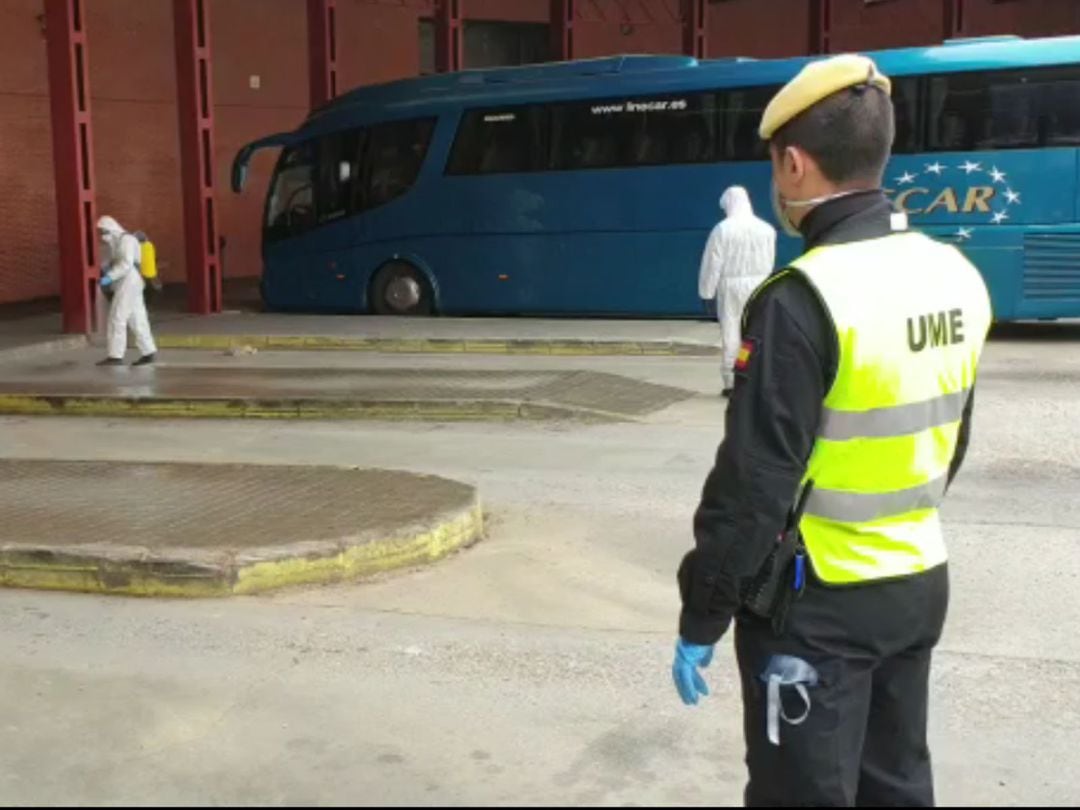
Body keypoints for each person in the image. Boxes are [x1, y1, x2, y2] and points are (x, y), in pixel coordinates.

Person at [671, 54, 992, 807]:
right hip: (917, 582)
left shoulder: (802, 299)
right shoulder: (955, 275)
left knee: (803, 794)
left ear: (792, 164)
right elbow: (953, 441)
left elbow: (754, 486)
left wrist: (704, 612)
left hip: (819, 605)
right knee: (896, 783)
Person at [697, 186, 776, 396]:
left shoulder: (722, 229)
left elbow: (712, 263)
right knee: (754, 333)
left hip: (730, 287)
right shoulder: (767, 229)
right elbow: (769, 262)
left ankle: (732, 381)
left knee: (731, 332)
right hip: (759, 284)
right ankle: (753, 375)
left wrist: (706, 292)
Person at [96, 215, 157, 367]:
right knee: (137, 318)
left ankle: (115, 356)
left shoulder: (127, 240)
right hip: (130, 282)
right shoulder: (118, 241)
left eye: (104, 231)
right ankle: (148, 351)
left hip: (129, 281)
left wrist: (109, 277)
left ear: (112, 229)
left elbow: (126, 264)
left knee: (117, 317)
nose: (103, 235)